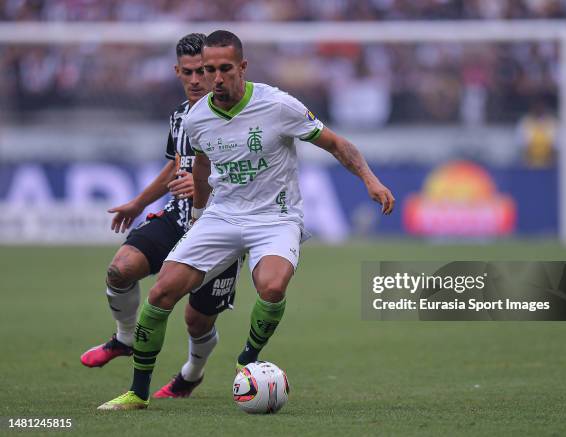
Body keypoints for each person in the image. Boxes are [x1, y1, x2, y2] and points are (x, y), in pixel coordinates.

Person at [98, 30, 394, 411]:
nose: (215, 78)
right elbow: (201, 165)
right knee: (160, 295)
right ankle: (137, 394)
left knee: (271, 288)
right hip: (223, 215)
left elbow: (335, 143)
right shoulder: (196, 117)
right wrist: (201, 215)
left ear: (242, 66)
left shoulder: (279, 106)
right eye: (208, 69)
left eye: (224, 68)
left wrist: (370, 179)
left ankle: (248, 358)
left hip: (276, 216)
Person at [81, 33, 241, 399]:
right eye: (189, 73)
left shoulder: (238, 118)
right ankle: (124, 340)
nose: (197, 80)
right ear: (177, 72)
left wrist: (206, 186)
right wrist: (138, 203)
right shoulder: (180, 116)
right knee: (120, 270)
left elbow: (249, 176)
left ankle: (191, 374)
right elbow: (176, 166)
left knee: (197, 320)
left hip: (221, 226)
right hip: (177, 218)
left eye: (203, 71)